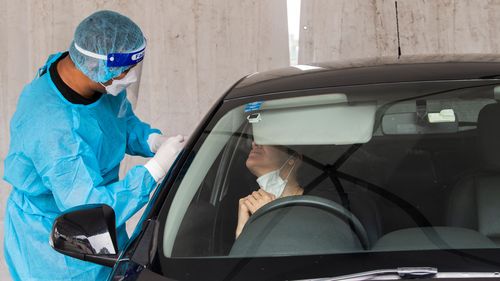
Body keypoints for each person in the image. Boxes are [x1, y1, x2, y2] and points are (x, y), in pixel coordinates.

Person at [3, 11, 184, 281]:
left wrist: (150, 140)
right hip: (60, 247)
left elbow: (116, 120)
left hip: (106, 226)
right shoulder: (52, 128)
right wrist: (153, 172)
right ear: (101, 68)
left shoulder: (87, 76)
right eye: (125, 71)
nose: (129, 78)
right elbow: (89, 208)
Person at [235, 142, 302, 238]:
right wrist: (241, 235)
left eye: (266, 139)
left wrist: (267, 218)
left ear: (293, 158)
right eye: (256, 138)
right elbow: (242, 252)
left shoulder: (317, 206)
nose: (254, 143)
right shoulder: (246, 207)